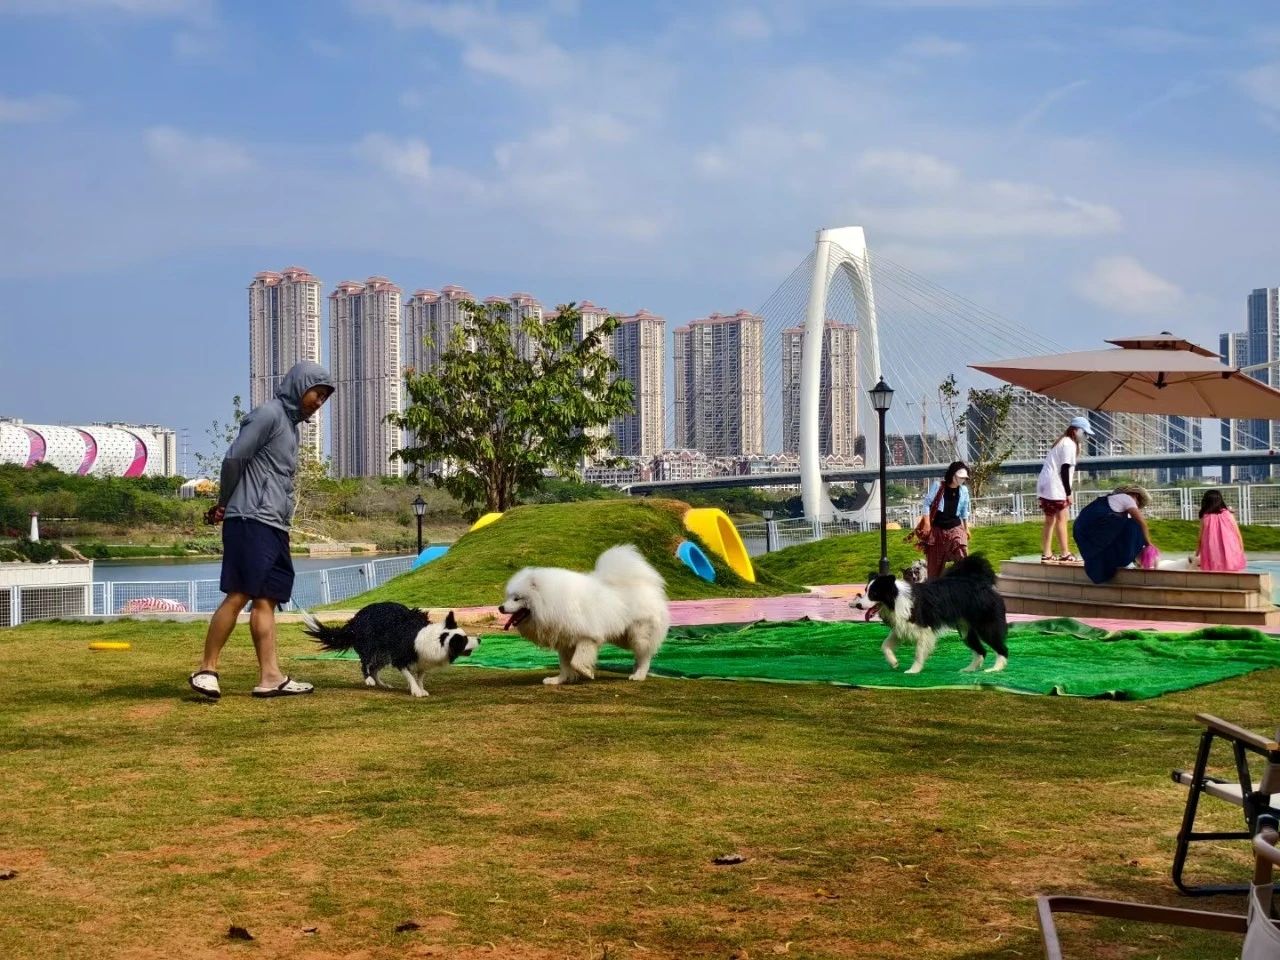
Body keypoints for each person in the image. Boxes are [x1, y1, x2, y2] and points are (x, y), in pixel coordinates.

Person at [189, 361, 335, 699]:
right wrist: (225, 502)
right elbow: (234, 459)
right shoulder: (268, 414)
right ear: (300, 387)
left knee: (267, 599)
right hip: (250, 520)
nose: (319, 402)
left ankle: (270, 677)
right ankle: (206, 670)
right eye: (316, 393)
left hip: (274, 524)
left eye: (324, 398)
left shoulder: (291, 427)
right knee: (240, 593)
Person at [1036, 416, 1093, 563]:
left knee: (1050, 520)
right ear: (1075, 431)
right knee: (1062, 519)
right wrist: (1068, 493)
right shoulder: (1069, 444)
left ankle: (1047, 554)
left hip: (1045, 485)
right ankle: (1065, 553)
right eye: (1084, 433)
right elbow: (1065, 469)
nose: (1086, 437)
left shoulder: (1062, 442)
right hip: (1056, 487)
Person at [1072, 483, 1155, 584]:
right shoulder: (1126, 498)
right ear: (1136, 495)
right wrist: (1148, 544)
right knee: (1135, 526)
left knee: (1125, 527)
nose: (1136, 506)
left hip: (1086, 540)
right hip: (1095, 534)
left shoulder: (1105, 503)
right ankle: (1131, 560)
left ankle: (1125, 561)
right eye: (1137, 503)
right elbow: (1142, 523)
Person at [918, 460, 971, 580]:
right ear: (952, 475)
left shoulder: (964, 490)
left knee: (962, 551)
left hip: (955, 527)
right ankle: (934, 587)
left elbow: (964, 511)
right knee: (934, 569)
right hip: (937, 531)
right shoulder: (938, 486)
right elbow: (926, 503)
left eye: (964, 478)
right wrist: (927, 524)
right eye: (960, 477)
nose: (962, 480)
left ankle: (965, 581)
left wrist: (966, 528)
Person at [1193, 489, 1246, 572]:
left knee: (1213, 571)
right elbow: (1237, 534)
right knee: (1232, 570)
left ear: (1206, 502)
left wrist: (1196, 554)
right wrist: (1241, 551)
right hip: (1230, 549)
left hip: (1212, 551)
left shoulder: (1205, 517)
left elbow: (1200, 538)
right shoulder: (1229, 514)